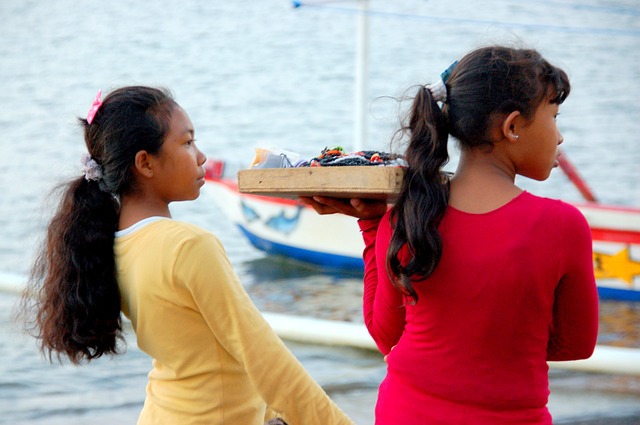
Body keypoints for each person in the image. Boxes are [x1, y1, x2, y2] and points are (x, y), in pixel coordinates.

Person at [301, 45, 599, 424]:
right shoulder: (562, 226)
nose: (559, 137)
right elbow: (576, 345)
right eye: (554, 117)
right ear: (511, 127)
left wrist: (373, 224)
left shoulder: (411, 214)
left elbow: (385, 336)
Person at [22, 86, 354, 425]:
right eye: (187, 143)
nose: (201, 156)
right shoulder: (188, 246)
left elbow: (212, 357)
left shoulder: (114, 243)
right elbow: (264, 358)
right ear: (145, 163)